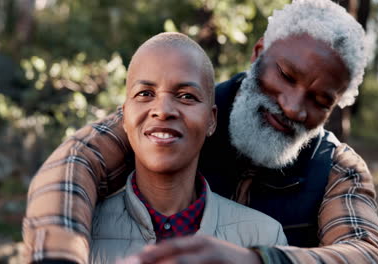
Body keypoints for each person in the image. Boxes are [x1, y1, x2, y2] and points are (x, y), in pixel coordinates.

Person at [23, 0, 378, 263]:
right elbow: (74, 165)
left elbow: (367, 253)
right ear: (258, 53)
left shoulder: (335, 168)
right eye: (286, 75)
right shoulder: (181, 115)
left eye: (320, 99)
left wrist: (257, 259)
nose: (294, 106)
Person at [86, 32, 287, 263]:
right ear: (124, 115)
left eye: (186, 96)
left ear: (211, 120)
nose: (162, 110)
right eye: (145, 94)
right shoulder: (81, 233)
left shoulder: (264, 237)